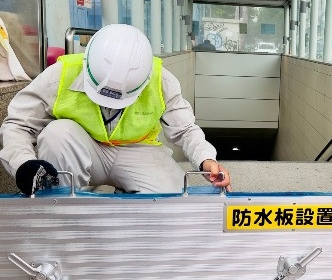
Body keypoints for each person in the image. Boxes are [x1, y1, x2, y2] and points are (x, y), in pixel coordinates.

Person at [0, 24, 231, 195]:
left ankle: (126, 201)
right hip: (84, 149)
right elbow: (18, 124)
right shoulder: (60, 75)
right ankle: (66, 209)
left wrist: (206, 159)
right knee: (57, 133)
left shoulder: (161, 81)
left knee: (171, 201)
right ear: (87, 62)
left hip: (138, 151)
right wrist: (23, 164)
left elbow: (185, 130)